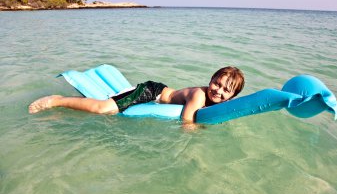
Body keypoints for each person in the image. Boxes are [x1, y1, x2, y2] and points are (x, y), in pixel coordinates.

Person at [29, 66, 245, 124]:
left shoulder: (214, 99)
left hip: (159, 92)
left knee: (107, 111)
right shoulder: (199, 95)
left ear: (231, 96)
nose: (218, 90)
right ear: (211, 80)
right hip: (151, 91)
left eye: (226, 90)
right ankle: (57, 100)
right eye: (217, 83)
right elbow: (187, 121)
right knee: (104, 110)